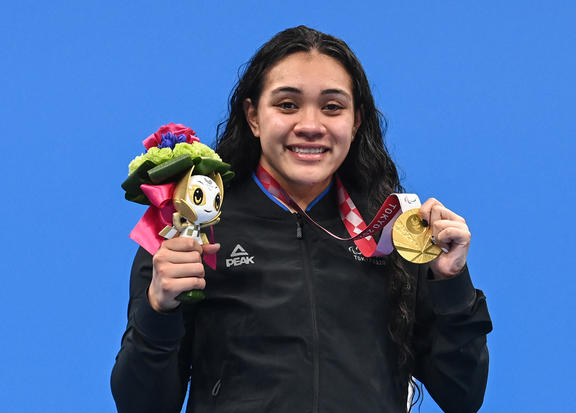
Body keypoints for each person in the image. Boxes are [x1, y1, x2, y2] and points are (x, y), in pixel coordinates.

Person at [111, 26, 492, 413]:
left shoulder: (396, 229)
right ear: (253, 116)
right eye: (288, 105)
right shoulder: (192, 226)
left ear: (356, 120)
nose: (311, 125)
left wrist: (450, 283)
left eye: (332, 107)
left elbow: (463, 395)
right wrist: (158, 309)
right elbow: (141, 404)